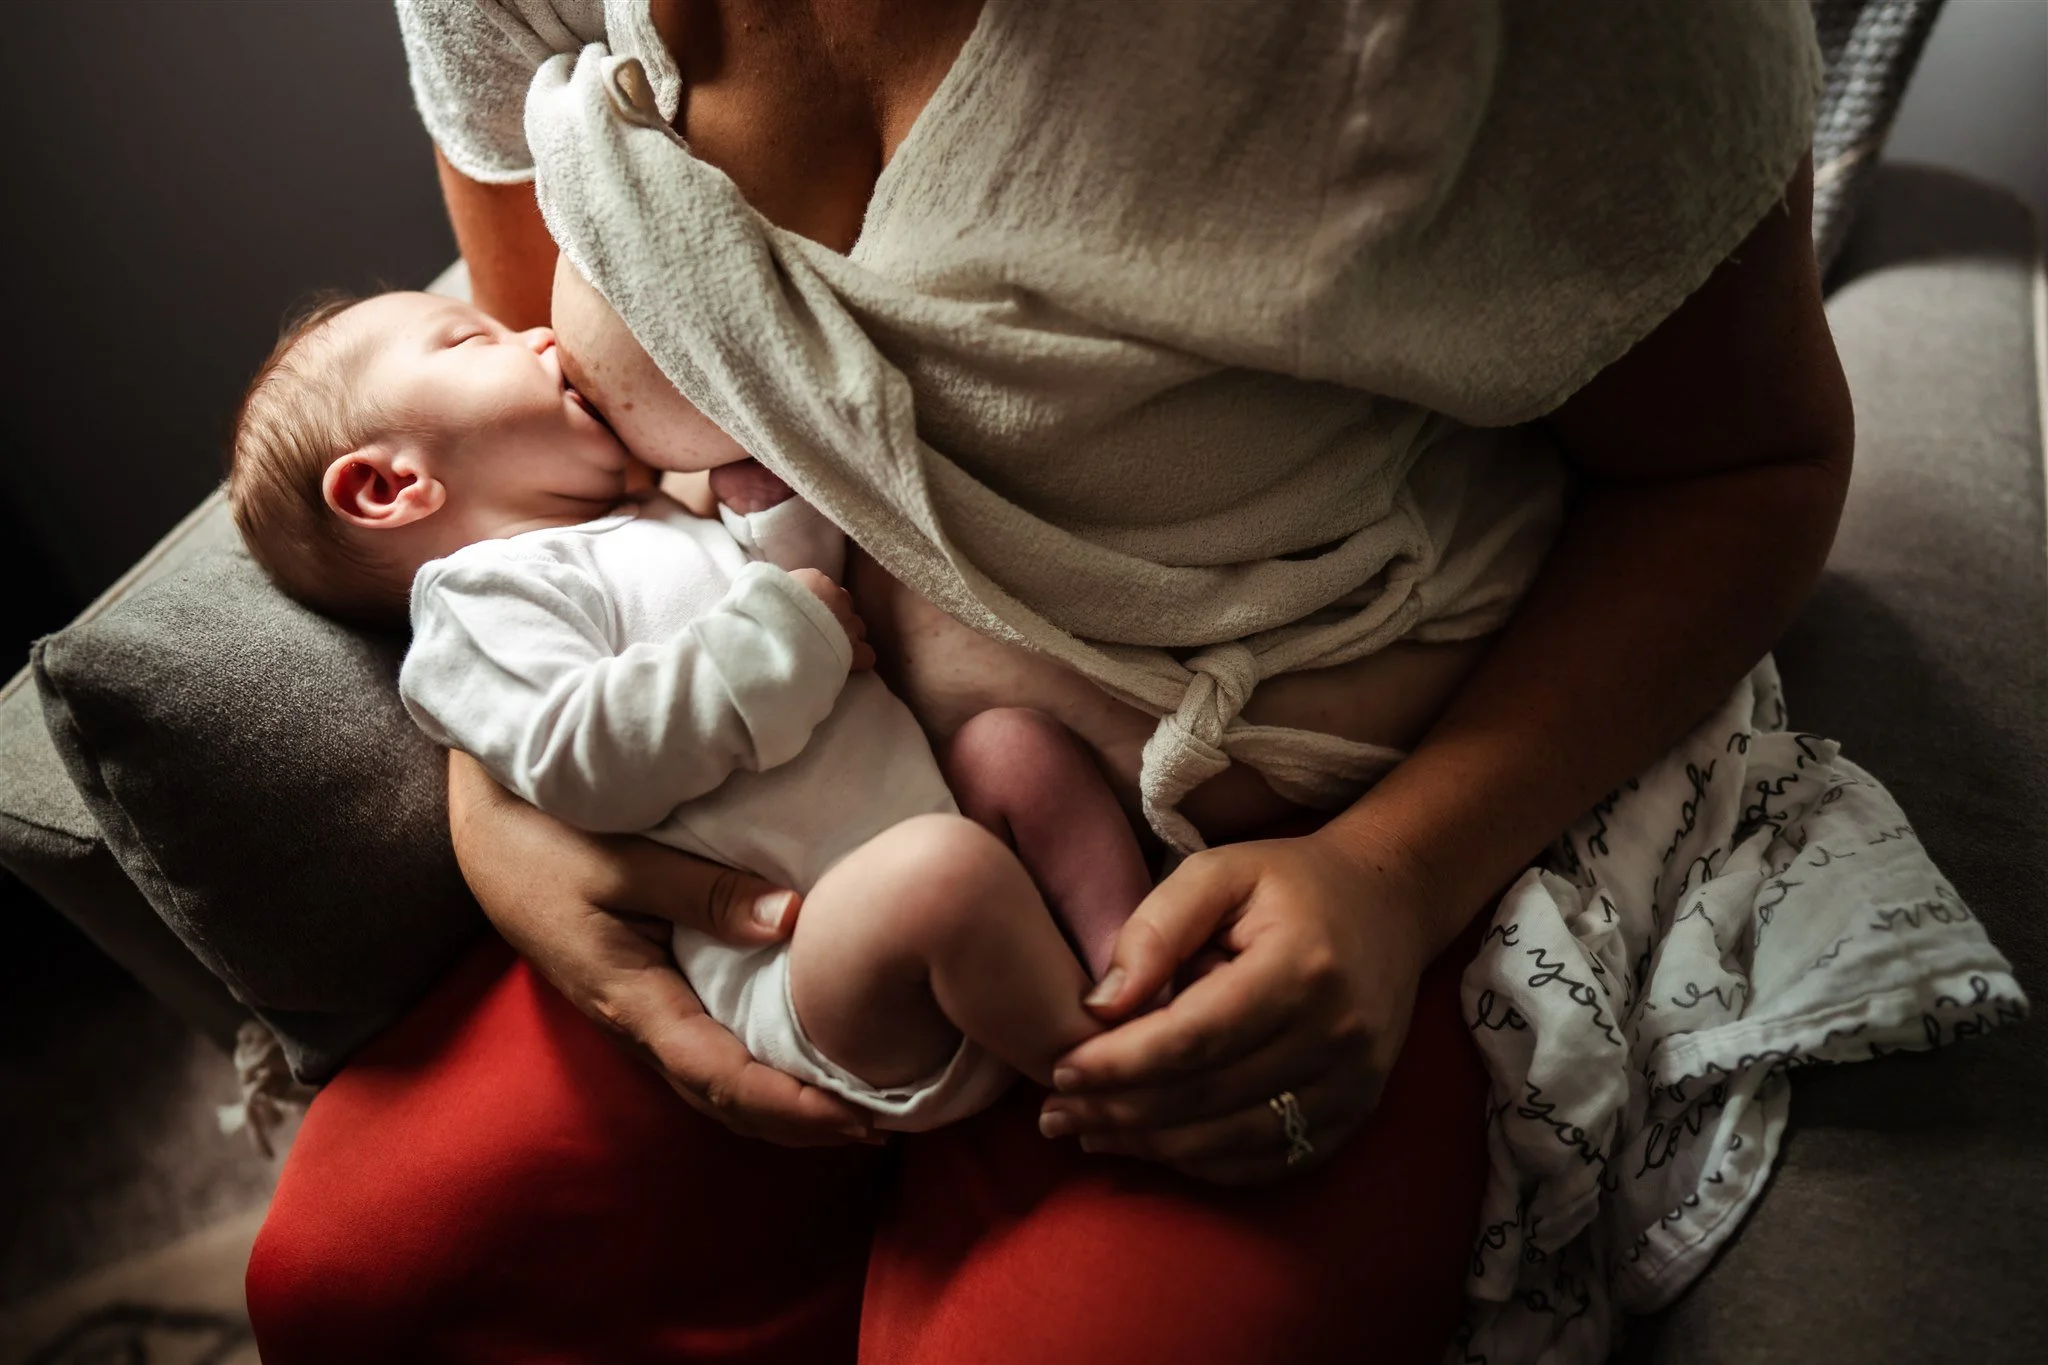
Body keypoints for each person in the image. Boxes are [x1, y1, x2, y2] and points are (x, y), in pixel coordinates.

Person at [247, 2, 1850, 1361]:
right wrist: (503, 798)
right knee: (359, 1282)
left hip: (1270, 886)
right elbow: (532, 457)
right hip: (782, 852)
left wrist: (1388, 876)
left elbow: (1746, 470)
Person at [226, 287, 1153, 1128]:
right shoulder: (475, 607)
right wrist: (784, 629)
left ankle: (1137, 976)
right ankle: (1118, 1079)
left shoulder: (631, 523)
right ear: (386, 486)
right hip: (806, 968)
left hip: (923, 836)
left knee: (1014, 749)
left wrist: (772, 515)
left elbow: (808, 621)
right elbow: (589, 755)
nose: (542, 336)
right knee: (944, 874)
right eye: (474, 338)